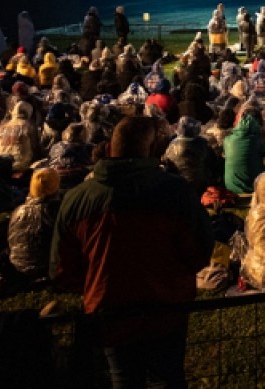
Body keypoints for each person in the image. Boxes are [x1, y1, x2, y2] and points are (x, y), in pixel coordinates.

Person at [52, 116, 214, 389]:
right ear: (151, 151)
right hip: (166, 310)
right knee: (168, 377)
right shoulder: (175, 192)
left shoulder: (77, 198)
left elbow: (61, 270)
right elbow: (199, 252)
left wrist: (99, 283)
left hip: (110, 311)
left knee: (124, 378)